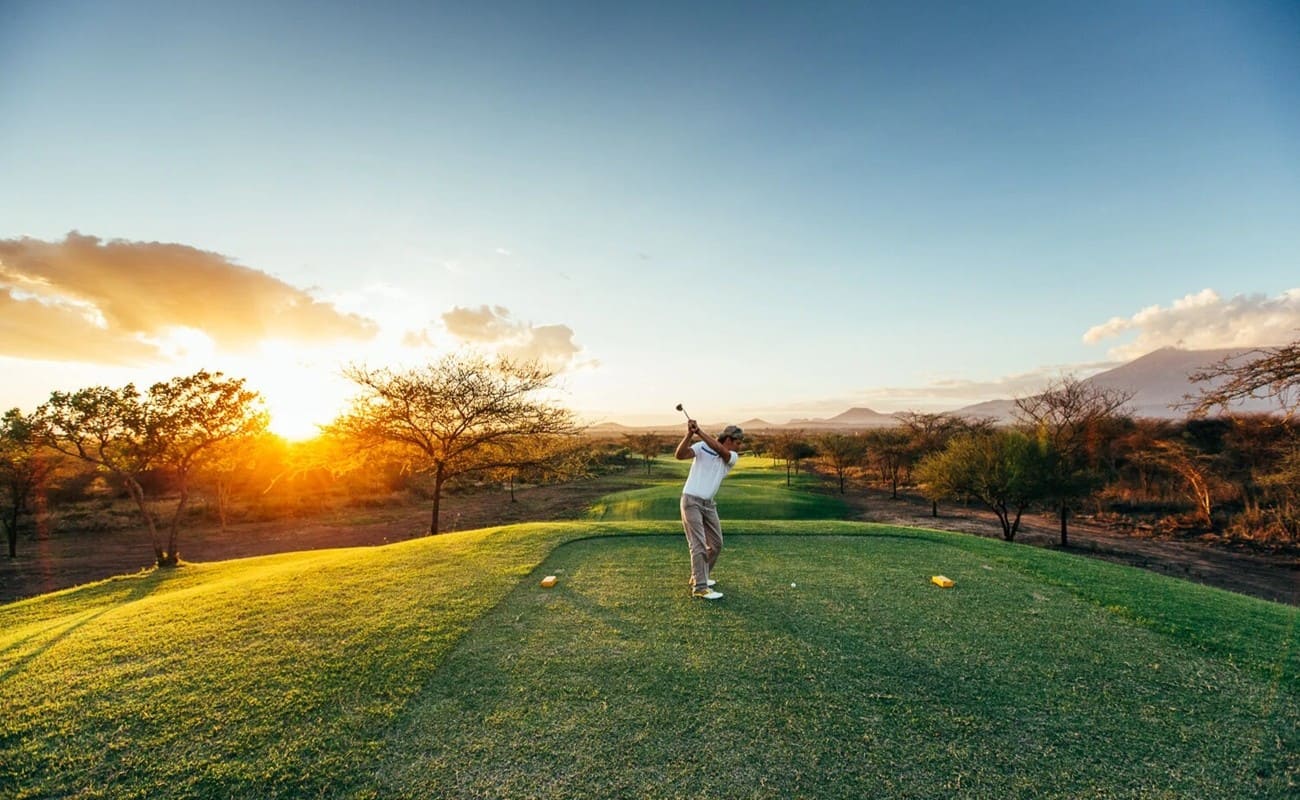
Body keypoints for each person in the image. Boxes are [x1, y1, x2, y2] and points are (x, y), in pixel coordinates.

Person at [675, 419, 743, 600]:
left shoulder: (731, 456)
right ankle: (700, 587)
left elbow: (721, 451)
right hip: (691, 501)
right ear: (728, 438)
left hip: (708, 504)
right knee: (698, 545)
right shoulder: (701, 447)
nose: (739, 446)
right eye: (737, 442)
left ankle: (699, 576)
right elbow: (679, 455)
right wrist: (690, 434)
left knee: (716, 544)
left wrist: (700, 431)